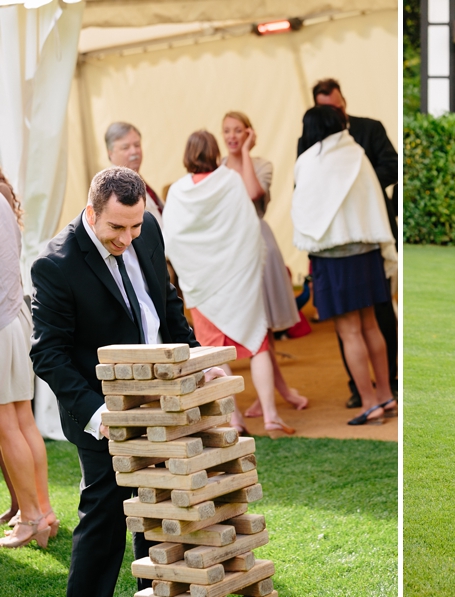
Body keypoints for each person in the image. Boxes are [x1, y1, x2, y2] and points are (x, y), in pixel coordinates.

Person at [29, 166, 211, 595]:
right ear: (91, 213)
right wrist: (97, 413)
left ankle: (157, 588)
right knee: (106, 514)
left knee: (162, 507)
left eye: (135, 225)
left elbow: (165, 300)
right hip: (100, 410)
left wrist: (197, 357)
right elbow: (48, 354)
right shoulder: (55, 264)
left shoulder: (145, 228)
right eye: (117, 227)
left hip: (162, 400)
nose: (128, 237)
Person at [163, 131, 295, 434]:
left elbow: (172, 239)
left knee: (214, 353)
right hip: (238, 283)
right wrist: (245, 268)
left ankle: (233, 419)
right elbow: (250, 229)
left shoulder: (179, 191)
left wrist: (192, 273)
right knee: (258, 345)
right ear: (215, 151)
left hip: (203, 287)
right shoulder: (230, 180)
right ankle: (271, 416)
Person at [293, 106, 398, 425]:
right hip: (366, 253)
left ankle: (368, 402)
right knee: (371, 325)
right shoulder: (357, 154)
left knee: (349, 331)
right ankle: (385, 395)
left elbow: (303, 213)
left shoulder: (309, 161)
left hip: (334, 259)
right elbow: (374, 202)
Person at [220, 111, 308, 415]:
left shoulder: (261, 165)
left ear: (249, 133)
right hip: (232, 249)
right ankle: (278, 391)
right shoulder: (217, 167)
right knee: (258, 329)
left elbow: (252, 193)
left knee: (264, 326)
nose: (231, 136)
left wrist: (244, 153)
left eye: (238, 131)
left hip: (258, 243)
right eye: (227, 131)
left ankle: (275, 392)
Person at [0, 171, 57, 548]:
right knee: (24, 419)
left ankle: (32, 518)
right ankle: (43, 511)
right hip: (17, 318)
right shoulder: (3, 197)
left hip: (0, 324)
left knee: (7, 425)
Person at [105, 122, 164, 226]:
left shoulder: (134, 177)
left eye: (137, 145)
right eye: (125, 147)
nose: (134, 151)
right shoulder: (115, 186)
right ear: (111, 153)